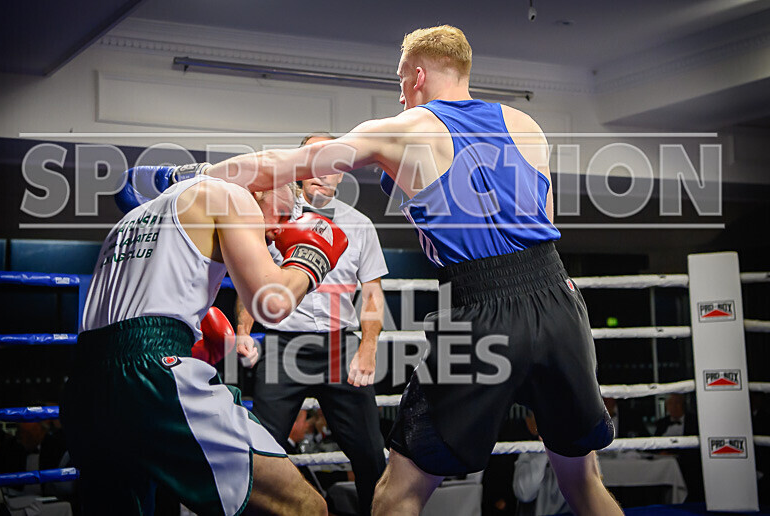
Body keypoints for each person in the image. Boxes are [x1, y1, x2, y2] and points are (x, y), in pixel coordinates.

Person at [123, 24, 622, 516]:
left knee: (396, 493)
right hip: (560, 302)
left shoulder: (403, 128)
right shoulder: (527, 126)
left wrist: (187, 178)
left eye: (400, 81)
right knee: (583, 479)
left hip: (481, 308)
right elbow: (546, 224)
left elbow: (284, 164)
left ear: (418, 76)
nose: (401, 95)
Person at [62, 173, 349, 515]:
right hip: (154, 376)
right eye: (283, 216)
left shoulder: (135, 218)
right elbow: (273, 302)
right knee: (305, 507)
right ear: (257, 191)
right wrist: (311, 258)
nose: (278, 233)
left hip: (84, 386)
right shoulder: (231, 197)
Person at [235, 133, 388, 515]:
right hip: (284, 346)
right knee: (261, 453)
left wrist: (368, 349)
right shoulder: (275, 214)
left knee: (371, 455)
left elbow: (372, 295)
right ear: (300, 168)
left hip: (340, 346)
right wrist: (242, 332)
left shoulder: (360, 226)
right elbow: (249, 280)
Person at [512, 412, 570, 516]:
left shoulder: (579, 450)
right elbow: (524, 494)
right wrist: (544, 450)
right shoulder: (528, 451)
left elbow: (591, 494)